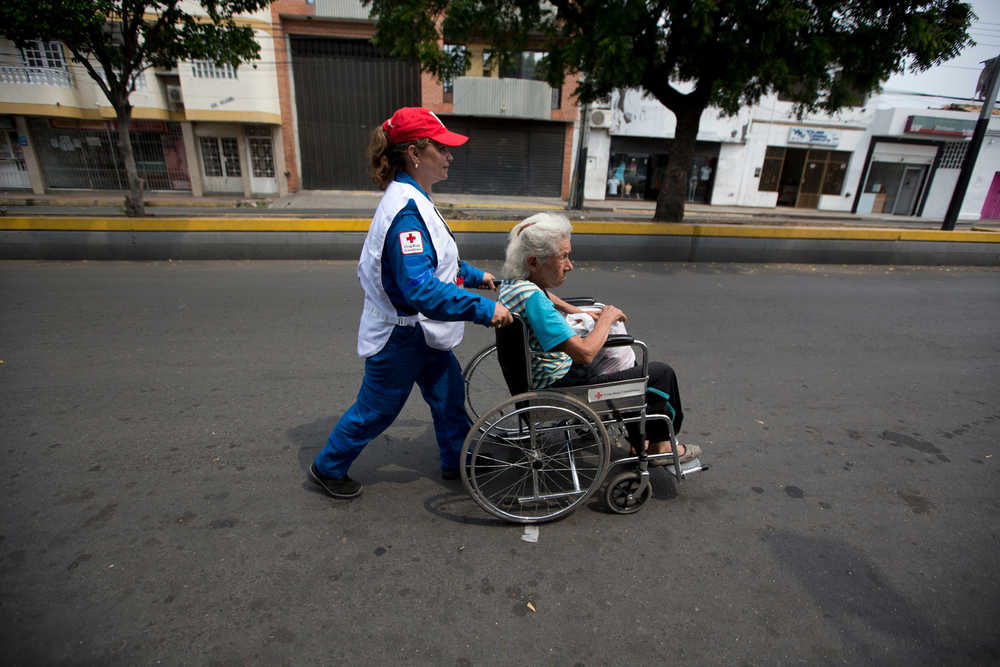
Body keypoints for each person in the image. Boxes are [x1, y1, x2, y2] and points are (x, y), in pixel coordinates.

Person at [309, 107, 513, 499]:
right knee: (376, 411)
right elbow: (420, 288)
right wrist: (484, 309)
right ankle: (327, 467)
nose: (451, 156)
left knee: (449, 396)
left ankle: (458, 461)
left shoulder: (416, 198)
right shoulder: (405, 212)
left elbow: (439, 262)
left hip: (422, 331)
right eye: (443, 148)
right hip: (400, 337)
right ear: (416, 154)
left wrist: (476, 277)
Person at [497, 212, 701, 464]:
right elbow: (584, 353)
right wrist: (606, 318)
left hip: (533, 377)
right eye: (563, 257)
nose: (569, 265)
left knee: (626, 368)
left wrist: (575, 311)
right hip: (560, 386)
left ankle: (641, 438)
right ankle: (658, 446)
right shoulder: (535, 301)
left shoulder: (513, 283)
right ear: (533, 261)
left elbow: (544, 295)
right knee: (658, 374)